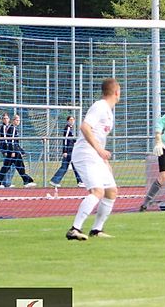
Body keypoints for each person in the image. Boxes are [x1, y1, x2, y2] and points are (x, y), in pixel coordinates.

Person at [66, 78, 121, 240]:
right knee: (98, 191)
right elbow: (85, 127)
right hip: (85, 154)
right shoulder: (100, 106)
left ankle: (96, 230)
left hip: (96, 156)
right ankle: (74, 229)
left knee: (111, 191)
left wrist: (104, 160)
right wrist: (99, 150)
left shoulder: (108, 111)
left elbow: (99, 136)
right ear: (116, 92)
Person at [0, 115, 36, 188]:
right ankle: (6, 183)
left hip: (14, 150)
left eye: (19, 120)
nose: (18, 122)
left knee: (12, 167)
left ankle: (6, 183)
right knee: (12, 167)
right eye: (17, 120)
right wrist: (9, 151)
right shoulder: (9, 128)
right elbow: (9, 140)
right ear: (13, 120)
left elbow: (16, 143)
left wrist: (21, 151)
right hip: (10, 151)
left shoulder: (13, 128)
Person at [50, 115, 84, 188]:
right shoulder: (67, 128)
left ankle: (54, 181)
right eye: (70, 120)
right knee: (74, 165)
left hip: (71, 150)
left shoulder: (70, 128)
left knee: (65, 166)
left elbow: (70, 139)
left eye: (73, 120)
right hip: (68, 151)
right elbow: (65, 140)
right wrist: (65, 151)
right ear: (67, 121)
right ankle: (80, 181)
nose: (72, 121)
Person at [0, 113, 14, 187]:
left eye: (7, 118)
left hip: (11, 149)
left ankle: (7, 182)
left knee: (12, 166)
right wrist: (5, 151)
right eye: (4, 118)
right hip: (6, 150)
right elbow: (4, 140)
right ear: (2, 120)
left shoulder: (10, 127)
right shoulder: (3, 127)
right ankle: (4, 183)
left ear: (9, 119)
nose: (5, 120)